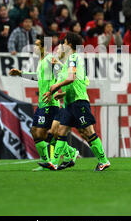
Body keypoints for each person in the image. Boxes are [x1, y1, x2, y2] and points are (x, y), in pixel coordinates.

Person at [40, 32, 110, 171]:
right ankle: (54, 162)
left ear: (69, 45)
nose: (61, 45)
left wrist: (55, 87)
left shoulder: (73, 58)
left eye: (63, 43)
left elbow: (72, 78)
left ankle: (103, 160)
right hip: (69, 102)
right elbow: (73, 81)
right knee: (61, 130)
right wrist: (62, 94)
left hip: (79, 101)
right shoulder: (69, 62)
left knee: (87, 132)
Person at [9, 36, 79, 171]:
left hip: (50, 103)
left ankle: (66, 153)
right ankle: (53, 159)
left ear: (44, 47)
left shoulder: (50, 60)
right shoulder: (41, 61)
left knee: (43, 133)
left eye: (36, 45)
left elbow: (62, 76)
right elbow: (38, 77)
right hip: (42, 103)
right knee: (35, 132)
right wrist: (21, 73)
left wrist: (57, 92)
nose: (34, 48)